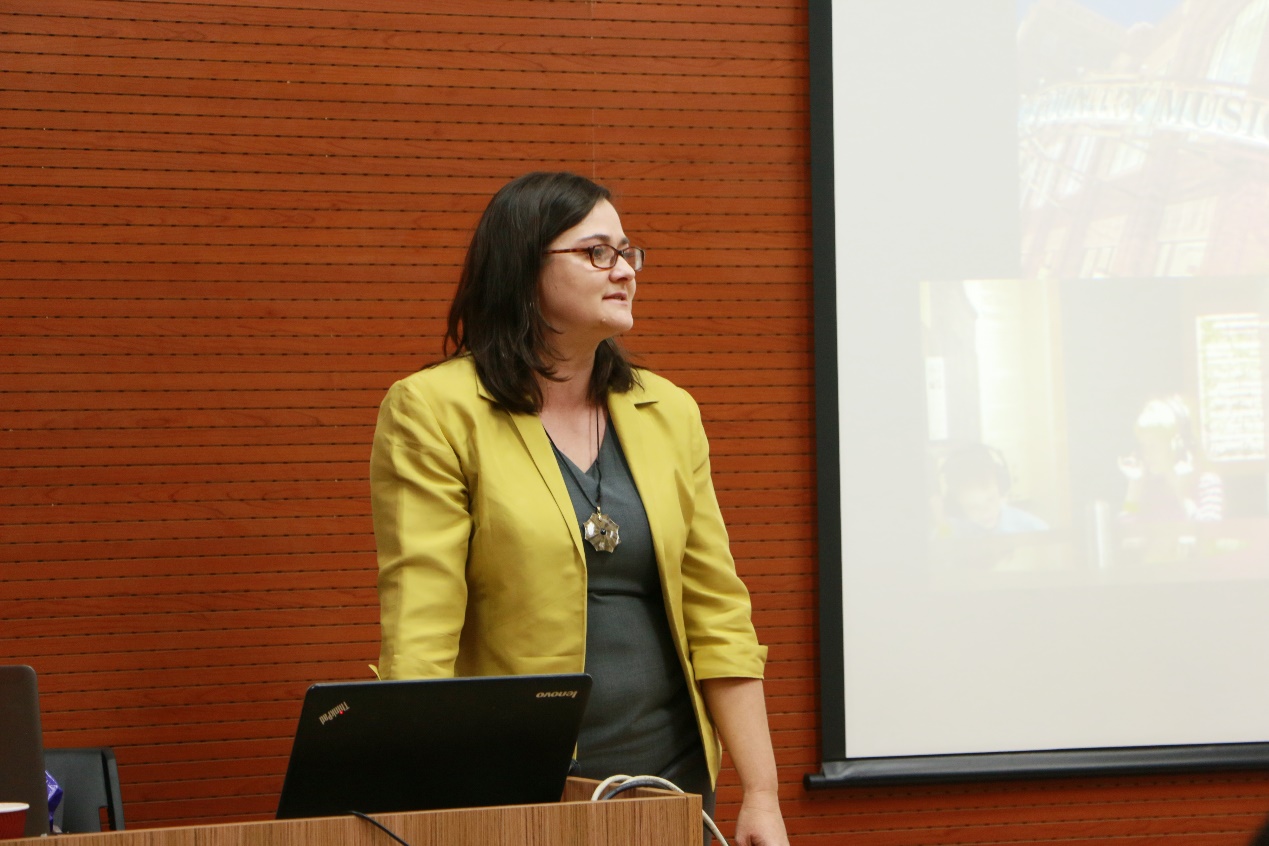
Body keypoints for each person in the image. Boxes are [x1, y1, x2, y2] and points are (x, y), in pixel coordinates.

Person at [370, 172, 789, 845]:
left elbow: (718, 611)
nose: (624, 270)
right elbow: (420, 627)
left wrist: (761, 794)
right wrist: (420, 803)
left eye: (627, 252)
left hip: (671, 780)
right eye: (597, 252)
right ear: (523, 266)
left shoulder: (668, 411)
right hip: (520, 787)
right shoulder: (435, 410)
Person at [938, 443, 1048, 536]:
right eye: (974, 507)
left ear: (1001, 489)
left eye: (990, 499)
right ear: (957, 505)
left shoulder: (1034, 528)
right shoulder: (949, 530)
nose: (985, 513)